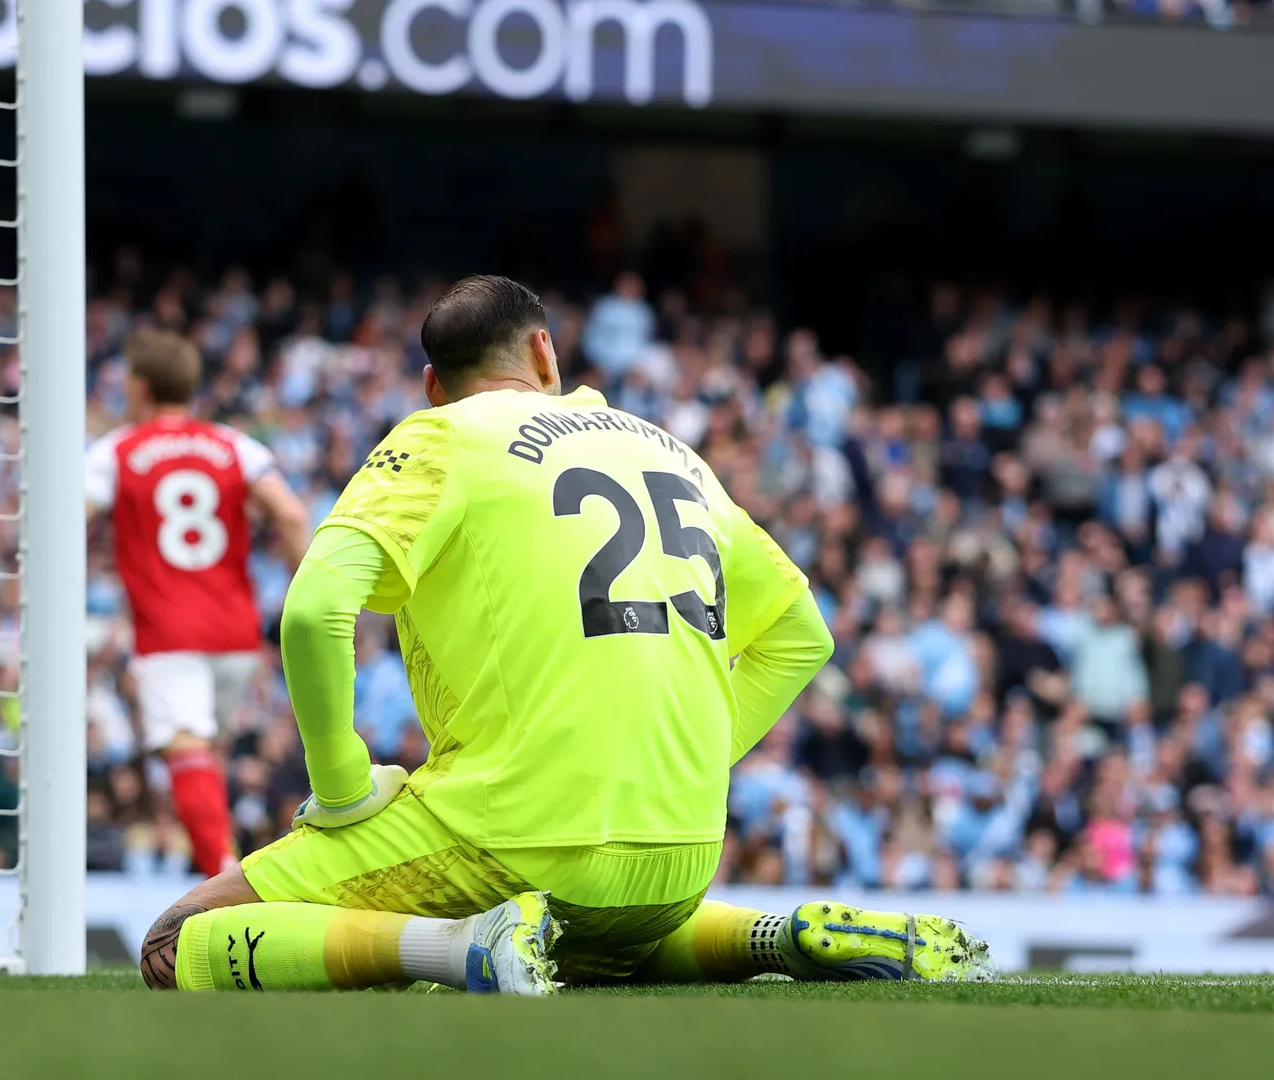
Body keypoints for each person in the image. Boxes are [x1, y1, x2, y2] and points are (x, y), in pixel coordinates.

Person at [140, 276, 991, 994]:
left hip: (509, 833)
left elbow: (313, 608)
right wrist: (690, 755)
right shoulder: (672, 449)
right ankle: (785, 934)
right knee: (589, 940)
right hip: (682, 854)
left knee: (174, 944)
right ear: (545, 354)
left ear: (433, 386)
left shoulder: (442, 436)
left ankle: (463, 947)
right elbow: (803, 635)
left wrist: (341, 790)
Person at [87, 329, 310, 876]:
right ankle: (230, 861)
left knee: (185, 752)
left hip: (168, 630)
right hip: (236, 630)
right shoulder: (234, 445)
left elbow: (70, 517)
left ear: (139, 387)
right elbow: (291, 515)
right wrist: (302, 595)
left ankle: (224, 880)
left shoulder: (116, 450)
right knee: (206, 758)